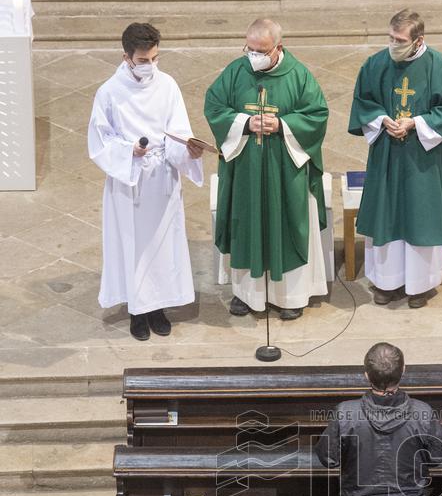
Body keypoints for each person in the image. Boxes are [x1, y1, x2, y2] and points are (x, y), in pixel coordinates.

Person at [204, 18, 329, 321]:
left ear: (278, 48)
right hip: (247, 169)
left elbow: (317, 115)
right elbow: (215, 107)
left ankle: (290, 297)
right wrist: (245, 123)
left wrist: (283, 124)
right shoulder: (236, 72)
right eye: (250, 49)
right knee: (248, 224)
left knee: (287, 224)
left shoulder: (298, 75)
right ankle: (248, 296)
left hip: (284, 170)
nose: (254, 56)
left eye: (261, 50)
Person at [88, 22, 204, 341]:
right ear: (126, 56)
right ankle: (137, 311)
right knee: (133, 245)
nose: (150, 66)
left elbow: (178, 128)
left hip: (162, 178)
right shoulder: (109, 92)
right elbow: (100, 140)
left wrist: (188, 148)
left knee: (162, 244)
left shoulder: (167, 85)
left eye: (155, 58)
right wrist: (131, 151)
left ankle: (158, 306)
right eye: (143, 60)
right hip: (130, 181)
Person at [348, 9, 442, 309]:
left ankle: (420, 286)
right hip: (387, 151)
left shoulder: (438, 66)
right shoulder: (376, 64)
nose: (393, 44)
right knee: (387, 212)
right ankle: (387, 283)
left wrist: (415, 123)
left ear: (418, 40)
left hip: (424, 158)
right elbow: (363, 101)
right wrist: (383, 120)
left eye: (399, 40)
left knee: (420, 216)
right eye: (390, 37)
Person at [315, 341, 442, 496]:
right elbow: (437, 456)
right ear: (403, 371)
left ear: (366, 375)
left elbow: (328, 458)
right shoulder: (423, 413)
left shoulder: (345, 412)